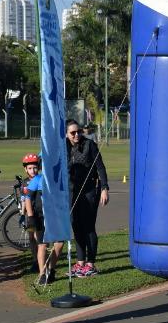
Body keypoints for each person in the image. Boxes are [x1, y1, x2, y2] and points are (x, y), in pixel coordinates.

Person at [66, 119, 109, 278]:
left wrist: (104, 188)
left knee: (88, 226)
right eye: (72, 133)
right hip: (72, 192)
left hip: (89, 191)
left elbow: (100, 167)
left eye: (79, 132)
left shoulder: (89, 145)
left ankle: (91, 264)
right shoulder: (64, 145)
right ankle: (80, 262)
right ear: (66, 133)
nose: (76, 135)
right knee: (76, 226)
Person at [20, 153, 63, 285]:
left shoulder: (54, 178)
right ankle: (42, 273)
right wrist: (30, 216)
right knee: (42, 244)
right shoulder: (36, 180)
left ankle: (52, 269)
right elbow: (27, 199)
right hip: (39, 216)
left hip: (54, 215)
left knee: (59, 242)